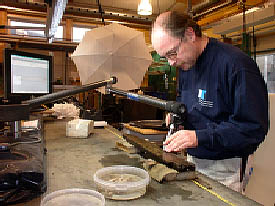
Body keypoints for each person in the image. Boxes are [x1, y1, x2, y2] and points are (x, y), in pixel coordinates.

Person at [151, 11, 268, 192]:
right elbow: (190, 102)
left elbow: (252, 129)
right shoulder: (186, 63)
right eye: (165, 57)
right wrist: (180, 119)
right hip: (193, 159)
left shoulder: (236, 65)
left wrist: (198, 137)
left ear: (190, 34)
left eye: (172, 53)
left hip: (226, 167)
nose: (171, 63)